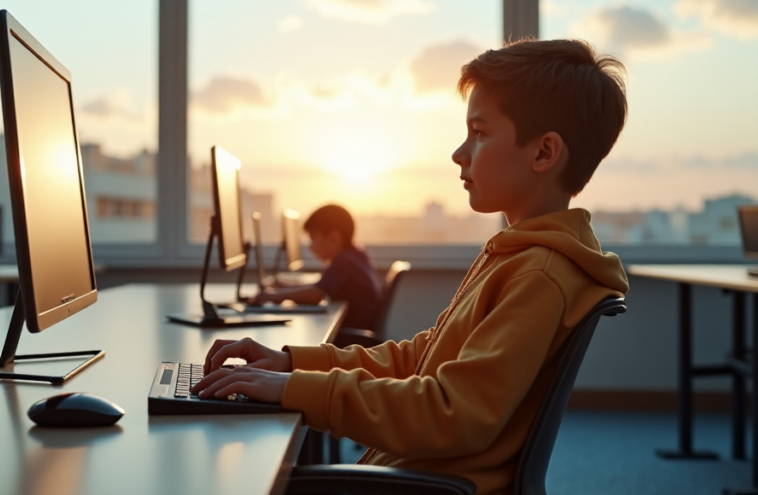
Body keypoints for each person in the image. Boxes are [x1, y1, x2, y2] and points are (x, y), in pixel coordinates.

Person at [191, 38, 630, 494]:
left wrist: (291, 390)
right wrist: (290, 364)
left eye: (479, 133)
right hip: (413, 473)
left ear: (543, 153)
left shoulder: (538, 274)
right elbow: (421, 359)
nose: (459, 153)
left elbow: (450, 412)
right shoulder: (519, 255)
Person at [249, 204, 381, 331]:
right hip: (358, 330)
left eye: (313, 238)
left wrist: (272, 296)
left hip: (353, 338)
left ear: (333, 238)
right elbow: (321, 286)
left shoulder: (343, 260)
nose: (310, 246)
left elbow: (317, 294)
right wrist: (286, 287)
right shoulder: (356, 253)